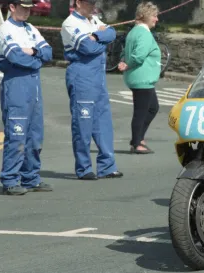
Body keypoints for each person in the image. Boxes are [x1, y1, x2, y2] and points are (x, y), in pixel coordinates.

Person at [0, 0, 53, 195]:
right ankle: (10, 180)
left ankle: (31, 178)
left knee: (35, 136)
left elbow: (48, 52)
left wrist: (34, 51)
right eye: (23, 7)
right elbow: (15, 57)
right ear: (12, 7)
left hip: (34, 86)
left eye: (29, 7)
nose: (27, 11)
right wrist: (36, 59)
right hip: (16, 84)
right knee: (16, 134)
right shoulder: (5, 29)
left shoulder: (31, 29)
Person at [60, 0, 123, 180]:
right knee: (83, 122)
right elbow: (87, 47)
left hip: (98, 76)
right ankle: (84, 167)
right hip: (82, 74)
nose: (93, 6)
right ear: (78, 3)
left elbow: (112, 33)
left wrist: (95, 37)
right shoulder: (70, 23)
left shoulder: (94, 20)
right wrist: (100, 39)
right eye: (89, 3)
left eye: (94, 3)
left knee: (103, 120)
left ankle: (107, 166)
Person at [118, 1, 161, 154]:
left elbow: (125, 51)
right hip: (142, 78)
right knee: (141, 111)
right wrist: (128, 64)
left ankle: (139, 137)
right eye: (154, 16)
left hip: (141, 79)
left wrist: (124, 61)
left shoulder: (134, 31)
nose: (156, 19)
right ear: (146, 16)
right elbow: (139, 55)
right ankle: (136, 143)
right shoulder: (143, 33)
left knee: (153, 108)